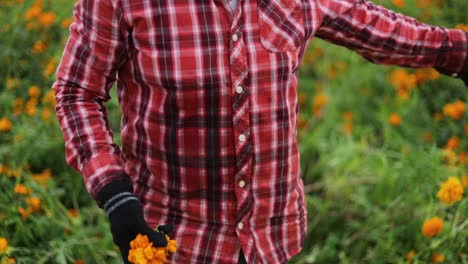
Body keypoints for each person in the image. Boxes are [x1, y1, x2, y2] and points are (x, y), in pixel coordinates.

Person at [52, 0, 467, 263]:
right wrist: (116, 194)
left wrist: (454, 51)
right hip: (174, 240)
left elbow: (369, 24)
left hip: (271, 240)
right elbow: (77, 92)